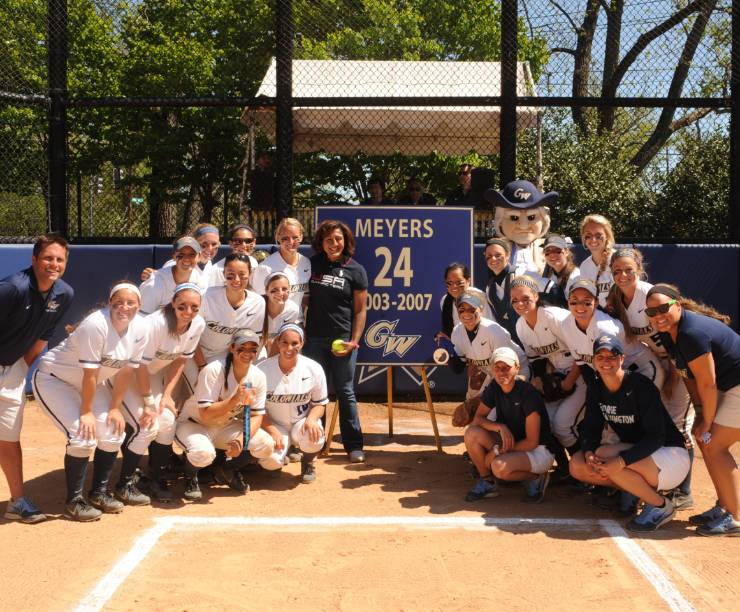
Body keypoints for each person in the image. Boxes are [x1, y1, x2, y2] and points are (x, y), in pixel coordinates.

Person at [32, 282, 149, 521]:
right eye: (118, 302)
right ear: (109, 303)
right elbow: (90, 374)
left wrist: (115, 408)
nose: (124, 307)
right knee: (83, 436)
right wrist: (86, 412)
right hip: (55, 380)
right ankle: (74, 501)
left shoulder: (141, 327)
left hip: (92, 384)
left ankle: (99, 493)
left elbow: (127, 371)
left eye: (130, 302)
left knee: (114, 432)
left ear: (139, 305)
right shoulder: (96, 324)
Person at [646, 284, 740, 536]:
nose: (658, 315)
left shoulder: (691, 333)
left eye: (663, 308)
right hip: (728, 386)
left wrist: (706, 421)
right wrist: (699, 411)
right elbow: (687, 375)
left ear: (678, 303)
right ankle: (725, 506)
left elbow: (707, 383)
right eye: (651, 312)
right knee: (707, 443)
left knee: (715, 445)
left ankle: (735, 517)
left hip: (735, 387)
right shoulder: (669, 331)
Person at [569, 335, 690, 533]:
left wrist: (622, 461)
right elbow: (591, 426)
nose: (606, 361)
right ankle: (637, 491)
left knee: (607, 455)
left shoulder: (640, 386)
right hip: (640, 456)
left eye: (612, 356)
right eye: (600, 357)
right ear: (593, 360)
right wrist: (589, 451)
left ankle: (661, 506)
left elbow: (656, 437)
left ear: (622, 359)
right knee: (578, 465)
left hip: (670, 457)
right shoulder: (596, 388)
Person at [606, 249, 695, 509]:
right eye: (617, 271)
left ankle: (684, 491)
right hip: (660, 362)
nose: (623, 275)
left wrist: (672, 371)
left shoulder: (650, 294)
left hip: (681, 362)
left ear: (639, 269)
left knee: (679, 427)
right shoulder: (617, 298)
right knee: (658, 424)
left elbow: (680, 326)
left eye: (628, 270)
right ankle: (649, 482)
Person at [0, 234, 74, 524]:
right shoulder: (12, 288)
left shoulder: (64, 294)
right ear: (34, 260)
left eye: (59, 259)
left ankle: (17, 501)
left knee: (8, 438)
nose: (53, 264)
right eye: (48, 258)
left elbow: (42, 338)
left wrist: (18, 370)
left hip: (12, 371)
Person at [120, 283, 205, 503]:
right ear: (172, 303)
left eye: (194, 307)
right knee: (147, 424)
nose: (188, 312)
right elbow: (138, 366)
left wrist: (167, 394)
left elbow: (180, 361)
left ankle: (156, 478)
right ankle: (125, 482)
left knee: (167, 420)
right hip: (126, 375)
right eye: (182, 306)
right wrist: (149, 400)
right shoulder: (155, 324)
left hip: (152, 374)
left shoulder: (197, 325)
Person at [176, 330, 273, 500]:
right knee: (204, 454)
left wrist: (242, 440)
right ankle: (190, 476)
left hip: (223, 426)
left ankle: (226, 469)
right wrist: (235, 398)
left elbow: (256, 416)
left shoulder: (258, 376)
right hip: (194, 424)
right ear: (232, 348)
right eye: (242, 348)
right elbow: (205, 415)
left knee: (266, 445)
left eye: (252, 349)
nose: (247, 353)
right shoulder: (213, 370)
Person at [303, 220, 368, 463]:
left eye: (338, 239)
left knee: (346, 391)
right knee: (315, 393)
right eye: (328, 239)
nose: (334, 244)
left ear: (346, 241)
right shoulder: (311, 265)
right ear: (321, 242)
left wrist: (354, 340)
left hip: (342, 340)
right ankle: (314, 443)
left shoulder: (356, 270)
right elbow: (304, 301)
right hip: (314, 340)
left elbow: (361, 310)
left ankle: (353, 445)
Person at [511, 276, 586, 476]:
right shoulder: (521, 325)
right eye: (515, 300)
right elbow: (537, 361)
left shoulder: (554, 317)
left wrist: (569, 381)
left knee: (562, 425)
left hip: (584, 372)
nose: (520, 304)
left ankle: (584, 473)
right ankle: (565, 470)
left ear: (536, 296)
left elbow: (582, 349)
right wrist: (540, 382)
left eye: (525, 299)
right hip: (560, 374)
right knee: (545, 422)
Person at [463, 347, 556, 504]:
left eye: (506, 368)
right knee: (472, 433)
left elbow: (532, 442)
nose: (501, 372)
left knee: (498, 467)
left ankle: (536, 478)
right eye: (497, 368)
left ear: (517, 368)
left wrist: (497, 451)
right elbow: (478, 418)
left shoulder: (528, 394)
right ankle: (487, 481)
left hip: (538, 450)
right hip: (512, 442)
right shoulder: (494, 387)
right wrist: (500, 427)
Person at [257, 324, 328, 482]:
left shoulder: (313, 368)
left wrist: (311, 419)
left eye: (295, 343)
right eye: (284, 342)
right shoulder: (262, 370)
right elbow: (256, 410)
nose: (289, 347)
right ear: (278, 342)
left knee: (314, 435)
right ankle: (279, 461)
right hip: (274, 424)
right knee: (271, 461)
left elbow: (319, 404)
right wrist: (272, 430)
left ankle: (308, 462)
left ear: (302, 343)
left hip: (300, 423)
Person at [187, 253, 265, 389]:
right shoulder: (207, 296)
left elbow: (253, 341)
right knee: (199, 393)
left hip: (230, 356)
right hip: (198, 353)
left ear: (250, 274)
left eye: (242, 274)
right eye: (230, 274)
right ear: (223, 274)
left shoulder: (257, 302)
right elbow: (191, 336)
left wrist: (238, 368)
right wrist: (202, 366)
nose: (236, 279)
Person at [449, 291, 529, 401]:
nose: (466, 313)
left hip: (513, 372)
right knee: (468, 412)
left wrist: (483, 398)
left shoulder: (493, 331)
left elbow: (506, 369)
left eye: (472, 309)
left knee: (491, 412)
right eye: (462, 310)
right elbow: (458, 368)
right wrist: (447, 351)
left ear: (481, 311)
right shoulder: (457, 332)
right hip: (488, 373)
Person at [484, 238, 551, 345]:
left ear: (507, 255)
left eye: (498, 255)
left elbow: (552, 289)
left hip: (535, 341)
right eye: (489, 256)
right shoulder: (489, 288)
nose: (493, 258)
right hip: (513, 346)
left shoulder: (521, 273)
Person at [484, 179, 555, 275]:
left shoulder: (550, 249)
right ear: (500, 221)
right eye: (514, 217)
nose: (523, 225)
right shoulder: (496, 250)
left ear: (543, 220)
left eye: (531, 217)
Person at [250, 218, 311, 315]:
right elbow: (258, 302)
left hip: (296, 322)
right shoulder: (265, 268)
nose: (291, 242)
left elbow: (304, 298)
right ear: (278, 238)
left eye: (295, 237)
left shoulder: (306, 263)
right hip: (273, 324)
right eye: (285, 238)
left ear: (301, 237)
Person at [139, 236, 207, 315]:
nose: (187, 259)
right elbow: (142, 319)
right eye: (181, 254)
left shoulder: (201, 283)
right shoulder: (155, 282)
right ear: (174, 256)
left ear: (199, 257)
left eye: (192, 254)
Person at [140, 223, 223, 287]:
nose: (209, 248)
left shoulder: (210, 266)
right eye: (204, 245)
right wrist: (155, 276)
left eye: (214, 244)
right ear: (195, 243)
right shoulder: (177, 263)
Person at [438, 262, 492, 340]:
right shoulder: (444, 301)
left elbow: (489, 324)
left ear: (468, 281)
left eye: (459, 282)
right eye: (450, 283)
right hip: (460, 346)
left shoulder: (479, 297)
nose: (454, 286)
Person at [260, 271, 301, 359]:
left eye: (284, 289)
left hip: (277, 348)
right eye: (274, 290)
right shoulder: (257, 307)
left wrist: (271, 361)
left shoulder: (293, 310)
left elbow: (282, 339)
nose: (280, 293)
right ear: (266, 291)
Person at [579, 214, 615, 309]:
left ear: (607, 236)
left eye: (598, 236)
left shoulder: (617, 259)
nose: (593, 240)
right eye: (588, 236)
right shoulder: (584, 266)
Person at [540, 234, 580, 308]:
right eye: (547, 252)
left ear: (566, 252)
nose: (552, 255)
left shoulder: (576, 277)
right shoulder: (552, 275)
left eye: (557, 251)